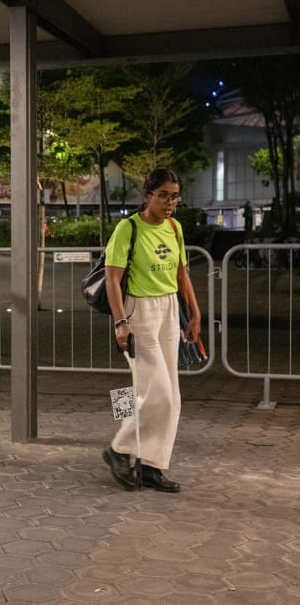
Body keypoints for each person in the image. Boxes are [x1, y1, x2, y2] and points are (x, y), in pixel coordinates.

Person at [102, 167, 201, 493]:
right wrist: (120, 321)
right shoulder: (128, 228)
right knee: (156, 392)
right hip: (138, 311)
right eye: (163, 195)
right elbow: (113, 278)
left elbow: (181, 274)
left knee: (172, 396)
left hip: (169, 309)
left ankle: (152, 466)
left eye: (174, 196)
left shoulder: (175, 228)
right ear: (147, 195)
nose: (170, 202)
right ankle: (119, 448)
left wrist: (195, 313)